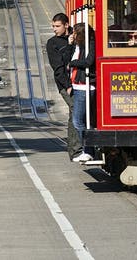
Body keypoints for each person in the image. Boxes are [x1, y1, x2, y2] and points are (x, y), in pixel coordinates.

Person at [46, 12, 81, 160]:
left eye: (57, 26)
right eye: (53, 26)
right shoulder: (52, 43)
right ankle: (75, 149)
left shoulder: (77, 34)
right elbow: (59, 67)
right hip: (65, 83)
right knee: (75, 108)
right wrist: (67, 85)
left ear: (66, 25)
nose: (54, 29)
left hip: (80, 80)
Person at [68, 23, 96, 162]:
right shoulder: (78, 45)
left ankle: (88, 150)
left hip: (84, 86)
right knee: (81, 120)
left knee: (77, 121)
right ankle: (87, 150)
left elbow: (88, 62)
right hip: (77, 85)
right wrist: (71, 45)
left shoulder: (90, 44)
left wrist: (73, 64)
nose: (72, 35)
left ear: (81, 34)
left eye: (75, 33)